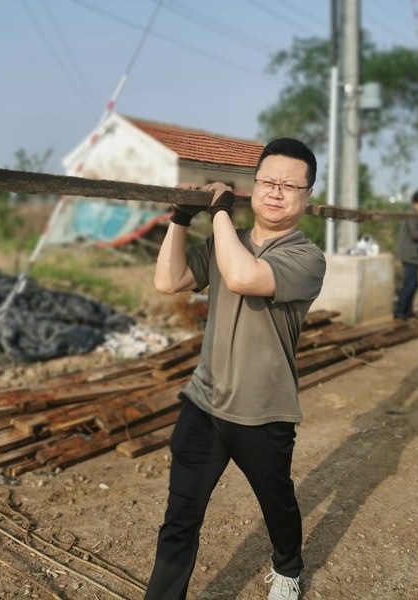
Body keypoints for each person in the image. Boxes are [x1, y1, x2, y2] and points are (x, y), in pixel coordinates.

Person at [145, 138, 326, 600]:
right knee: (180, 517)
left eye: (290, 185)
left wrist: (220, 211)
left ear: (307, 196)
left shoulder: (307, 257)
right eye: (268, 181)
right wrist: (180, 218)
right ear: (255, 185)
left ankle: (287, 569)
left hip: (263, 412)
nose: (276, 191)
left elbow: (244, 277)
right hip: (204, 403)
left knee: (276, 503)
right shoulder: (226, 242)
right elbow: (169, 280)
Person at [393, 190, 418, 320]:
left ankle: (407, 311)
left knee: (414, 284)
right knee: (410, 283)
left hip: (413, 255)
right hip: (409, 255)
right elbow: (414, 234)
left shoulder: (416, 214)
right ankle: (400, 312)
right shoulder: (412, 214)